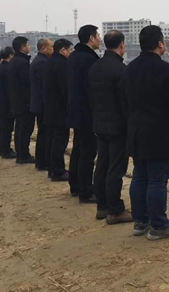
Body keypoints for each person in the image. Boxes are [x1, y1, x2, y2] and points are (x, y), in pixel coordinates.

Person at [122, 25, 169, 240]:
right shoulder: (166, 70)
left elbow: (124, 102)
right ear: (160, 44)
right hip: (160, 133)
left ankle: (140, 221)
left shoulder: (129, 68)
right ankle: (159, 225)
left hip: (136, 131)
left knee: (140, 176)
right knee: (157, 180)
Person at [87, 30, 133, 224]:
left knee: (102, 165)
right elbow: (126, 102)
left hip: (99, 123)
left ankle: (102, 206)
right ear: (122, 45)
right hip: (117, 127)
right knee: (115, 168)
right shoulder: (121, 70)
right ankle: (115, 210)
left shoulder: (95, 67)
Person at [68, 25, 101, 203]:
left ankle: (75, 185)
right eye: (98, 35)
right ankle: (86, 191)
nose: (100, 38)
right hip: (87, 111)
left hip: (76, 110)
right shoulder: (88, 59)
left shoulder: (74, 56)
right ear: (91, 38)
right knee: (88, 152)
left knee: (78, 149)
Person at [44, 39, 74, 181]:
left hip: (50, 108)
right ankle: (58, 171)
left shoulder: (50, 61)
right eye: (70, 50)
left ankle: (53, 169)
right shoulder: (61, 64)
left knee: (52, 140)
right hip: (59, 110)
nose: (71, 53)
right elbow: (65, 89)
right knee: (59, 141)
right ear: (63, 50)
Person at [8, 36, 35, 164]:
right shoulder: (22, 63)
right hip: (24, 102)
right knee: (25, 129)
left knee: (19, 128)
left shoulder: (13, 61)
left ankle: (21, 154)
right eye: (28, 45)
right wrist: (30, 100)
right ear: (22, 48)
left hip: (16, 101)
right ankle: (24, 155)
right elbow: (26, 84)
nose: (29, 47)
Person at [30, 38, 54, 171]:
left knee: (43, 133)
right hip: (43, 104)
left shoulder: (40, 60)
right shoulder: (42, 63)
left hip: (40, 103)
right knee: (45, 134)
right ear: (43, 48)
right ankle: (43, 161)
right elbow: (46, 85)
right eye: (51, 47)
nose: (53, 49)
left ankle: (42, 161)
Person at [0, 47, 16, 159]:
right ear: (10, 55)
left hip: (1, 101)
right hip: (7, 102)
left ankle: (2, 148)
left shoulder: (1, 67)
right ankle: (6, 150)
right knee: (7, 127)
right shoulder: (8, 68)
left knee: (3, 127)